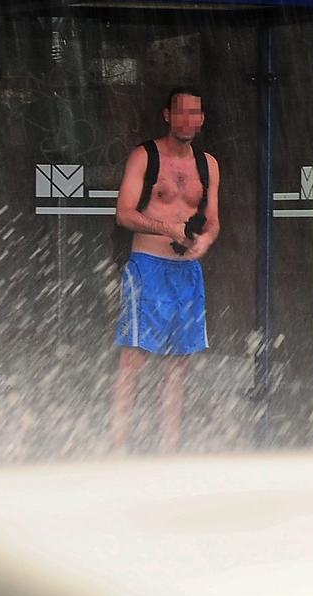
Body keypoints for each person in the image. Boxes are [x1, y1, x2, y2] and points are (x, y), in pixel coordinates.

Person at [110, 86, 220, 454]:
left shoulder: (208, 164)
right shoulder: (145, 156)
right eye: (181, 112)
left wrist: (204, 241)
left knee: (178, 365)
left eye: (195, 113)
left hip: (187, 273)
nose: (188, 120)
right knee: (133, 360)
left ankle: (168, 451)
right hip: (148, 267)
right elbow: (124, 214)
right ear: (167, 115)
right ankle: (118, 447)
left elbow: (213, 221)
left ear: (202, 119)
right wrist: (166, 230)